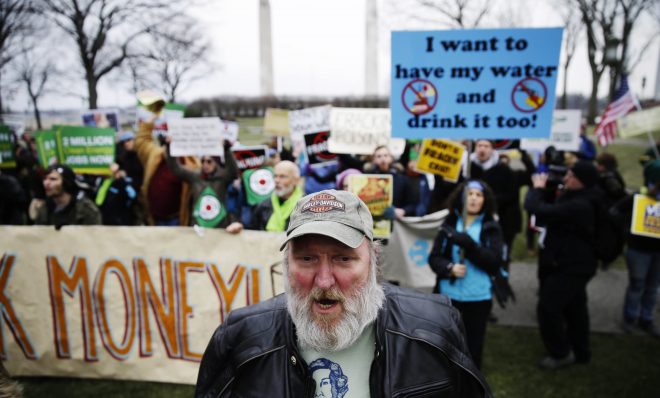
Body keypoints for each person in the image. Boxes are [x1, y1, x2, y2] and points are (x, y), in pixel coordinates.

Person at [196, 189, 492, 397]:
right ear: (287, 262)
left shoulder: (434, 330)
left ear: (373, 259)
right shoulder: (240, 338)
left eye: (343, 258)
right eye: (307, 259)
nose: (324, 282)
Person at [524, 160, 599, 369]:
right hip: (573, 263)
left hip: (572, 267)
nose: (566, 178)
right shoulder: (580, 197)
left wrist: (537, 189)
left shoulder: (580, 205)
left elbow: (534, 208)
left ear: (582, 181)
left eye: (571, 176)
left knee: (548, 307)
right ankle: (581, 351)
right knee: (575, 309)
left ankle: (561, 352)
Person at [428, 180, 505, 368]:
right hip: (448, 295)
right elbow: (434, 258)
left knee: (472, 345)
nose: (473, 198)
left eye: (478, 195)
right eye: (469, 194)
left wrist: (469, 245)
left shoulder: (490, 226)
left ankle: (471, 382)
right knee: (446, 341)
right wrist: (449, 268)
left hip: (478, 297)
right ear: (462, 197)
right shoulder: (450, 223)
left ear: (484, 200)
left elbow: (494, 261)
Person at [612, 159, 660, 337]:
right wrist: (628, 230)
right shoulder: (638, 197)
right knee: (637, 284)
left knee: (653, 286)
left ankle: (647, 319)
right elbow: (615, 212)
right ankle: (630, 317)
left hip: (657, 251)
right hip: (639, 250)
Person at [164, 139, 242, 231]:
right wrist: (169, 147)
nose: (205, 164)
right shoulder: (195, 177)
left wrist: (226, 149)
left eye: (209, 161)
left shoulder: (223, 178)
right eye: (203, 161)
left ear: (216, 163)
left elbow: (233, 171)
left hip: (219, 226)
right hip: (198, 227)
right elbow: (176, 169)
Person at [135, 117, 199, 226]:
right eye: (166, 145)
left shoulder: (189, 162)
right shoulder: (154, 155)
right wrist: (150, 119)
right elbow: (142, 141)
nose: (167, 149)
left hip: (176, 220)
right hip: (153, 219)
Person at [469, 140, 519, 264]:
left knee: (500, 256)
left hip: (501, 220)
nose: (482, 149)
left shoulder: (503, 169)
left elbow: (512, 195)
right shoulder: (468, 168)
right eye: (479, 146)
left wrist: (489, 202)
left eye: (486, 146)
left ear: (492, 149)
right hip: (474, 221)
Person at [30, 164, 101, 227]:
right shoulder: (45, 208)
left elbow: (94, 236)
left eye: (53, 179)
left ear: (66, 183)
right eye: (45, 179)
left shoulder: (85, 209)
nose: (46, 183)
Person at [248, 160, 304, 231]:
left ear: (296, 180)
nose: (277, 180)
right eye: (275, 176)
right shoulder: (263, 205)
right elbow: (251, 231)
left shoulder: (307, 206)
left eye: (282, 176)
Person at [363, 145, 412, 218]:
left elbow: (412, 204)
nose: (383, 159)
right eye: (379, 156)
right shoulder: (366, 179)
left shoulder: (402, 179)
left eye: (386, 155)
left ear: (391, 158)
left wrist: (404, 211)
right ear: (373, 160)